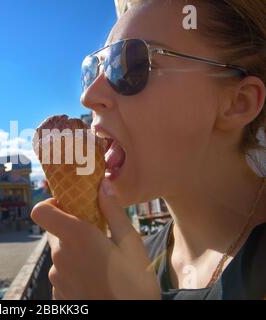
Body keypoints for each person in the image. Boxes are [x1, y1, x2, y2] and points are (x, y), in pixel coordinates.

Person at [31, 0, 266, 300]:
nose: (88, 96)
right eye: (92, 71)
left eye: (130, 64)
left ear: (238, 102)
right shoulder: (137, 261)